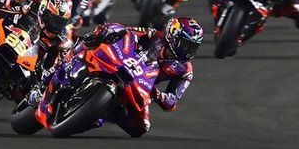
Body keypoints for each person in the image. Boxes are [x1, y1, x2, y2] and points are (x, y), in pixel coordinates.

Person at [39, 17, 203, 137]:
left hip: (141, 84)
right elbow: (125, 30)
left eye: (193, 47)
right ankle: (64, 62)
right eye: (186, 44)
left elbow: (172, 102)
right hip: (122, 61)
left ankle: (97, 114)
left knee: (140, 128)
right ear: (172, 36)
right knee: (91, 44)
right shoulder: (153, 35)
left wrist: (156, 94)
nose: (188, 51)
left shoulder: (185, 69)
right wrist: (106, 32)